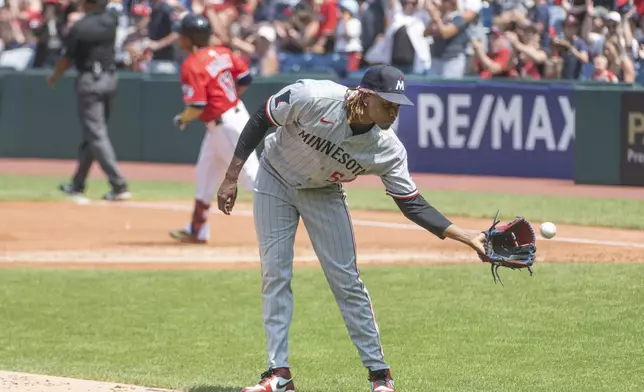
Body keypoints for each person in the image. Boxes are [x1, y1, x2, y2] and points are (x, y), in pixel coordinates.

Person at [216, 64, 487, 392]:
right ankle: (278, 373)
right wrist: (232, 176)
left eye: (398, 103)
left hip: (324, 194)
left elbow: (411, 203)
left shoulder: (387, 148)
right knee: (275, 274)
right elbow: (263, 116)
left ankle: (380, 375)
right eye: (387, 101)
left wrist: (467, 235)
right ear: (366, 95)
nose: (393, 109)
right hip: (275, 178)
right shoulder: (314, 96)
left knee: (346, 281)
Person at [169, 14, 258, 244]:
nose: (179, 38)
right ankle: (197, 230)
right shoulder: (223, 52)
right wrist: (228, 99)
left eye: (182, 34)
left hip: (226, 125)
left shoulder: (192, 64)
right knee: (205, 175)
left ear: (190, 37)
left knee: (254, 179)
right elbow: (246, 78)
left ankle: (290, 222)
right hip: (227, 119)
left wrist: (182, 119)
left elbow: (196, 106)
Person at [48, 0, 131, 201]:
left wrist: (53, 77)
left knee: (95, 134)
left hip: (89, 81)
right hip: (110, 79)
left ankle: (118, 185)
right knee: (92, 135)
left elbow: (66, 59)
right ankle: (78, 183)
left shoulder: (81, 26)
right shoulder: (111, 20)